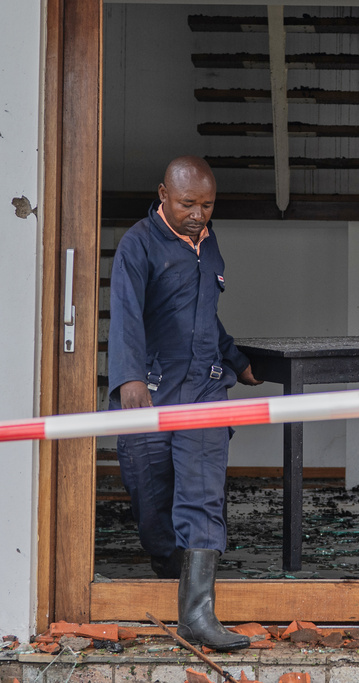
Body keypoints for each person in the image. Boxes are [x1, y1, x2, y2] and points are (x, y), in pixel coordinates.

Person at [108, 155, 259, 651]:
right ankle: (166, 564)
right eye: (188, 204)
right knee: (151, 497)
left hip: (205, 387)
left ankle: (197, 615)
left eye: (207, 205)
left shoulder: (208, 243)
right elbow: (125, 314)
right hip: (152, 387)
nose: (198, 214)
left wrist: (235, 360)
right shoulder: (138, 244)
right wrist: (130, 378)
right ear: (163, 195)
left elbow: (205, 316)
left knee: (202, 492)